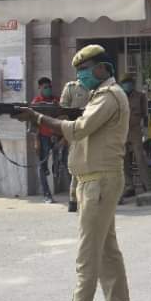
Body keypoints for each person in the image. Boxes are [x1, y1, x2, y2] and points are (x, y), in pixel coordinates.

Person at [14, 44, 135, 301]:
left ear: (101, 68)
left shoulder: (109, 96)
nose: (81, 74)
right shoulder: (100, 96)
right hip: (94, 180)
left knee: (87, 256)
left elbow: (79, 129)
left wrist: (38, 119)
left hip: (99, 182)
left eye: (85, 69)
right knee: (107, 250)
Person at [119, 73, 151, 199]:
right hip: (121, 131)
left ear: (133, 84)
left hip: (135, 130)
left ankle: (148, 185)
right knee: (124, 160)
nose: (127, 85)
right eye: (125, 83)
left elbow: (145, 115)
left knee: (140, 157)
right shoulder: (118, 96)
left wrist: (146, 131)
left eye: (129, 82)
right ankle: (129, 187)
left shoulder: (140, 96)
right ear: (121, 84)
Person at [59, 76, 90, 212]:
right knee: (77, 164)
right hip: (76, 131)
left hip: (93, 129)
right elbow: (62, 109)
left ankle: (89, 197)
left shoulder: (97, 87)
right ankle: (73, 199)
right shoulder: (71, 87)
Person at [30, 77, 61, 204]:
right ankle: (46, 194)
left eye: (49, 87)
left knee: (61, 163)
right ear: (40, 88)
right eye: (45, 87)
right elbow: (33, 124)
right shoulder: (36, 102)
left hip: (57, 137)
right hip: (43, 137)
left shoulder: (56, 101)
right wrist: (36, 141)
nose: (48, 90)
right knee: (42, 166)